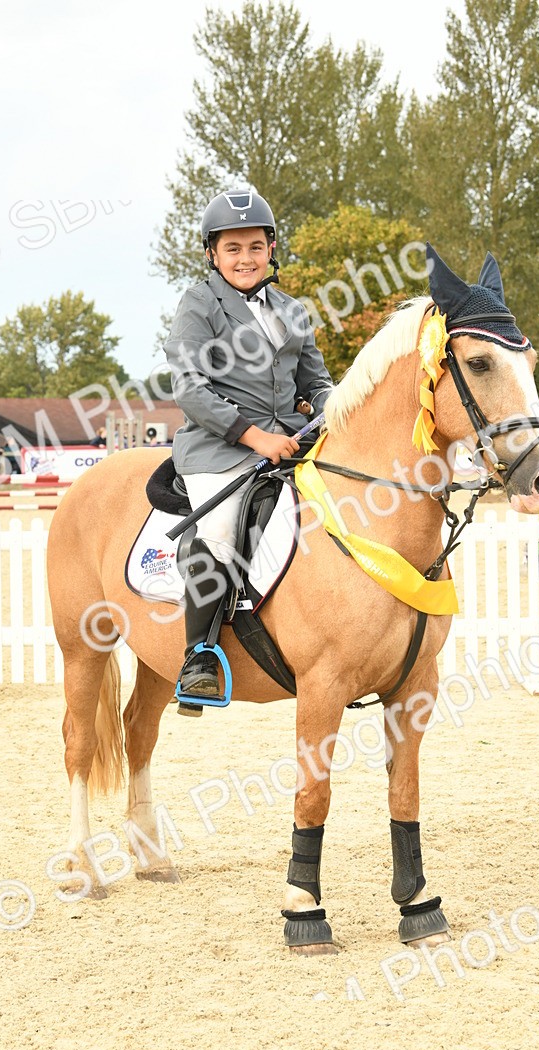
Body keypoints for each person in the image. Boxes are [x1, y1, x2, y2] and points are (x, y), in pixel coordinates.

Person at [165, 189, 333, 702]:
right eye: (233, 248)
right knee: (218, 532)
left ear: (272, 247)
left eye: (255, 247)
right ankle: (200, 657)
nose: (245, 258)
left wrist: (330, 406)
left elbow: (316, 380)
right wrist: (256, 437)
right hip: (221, 449)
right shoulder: (199, 305)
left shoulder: (291, 309)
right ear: (213, 253)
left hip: (291, 445)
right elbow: (190, 387)